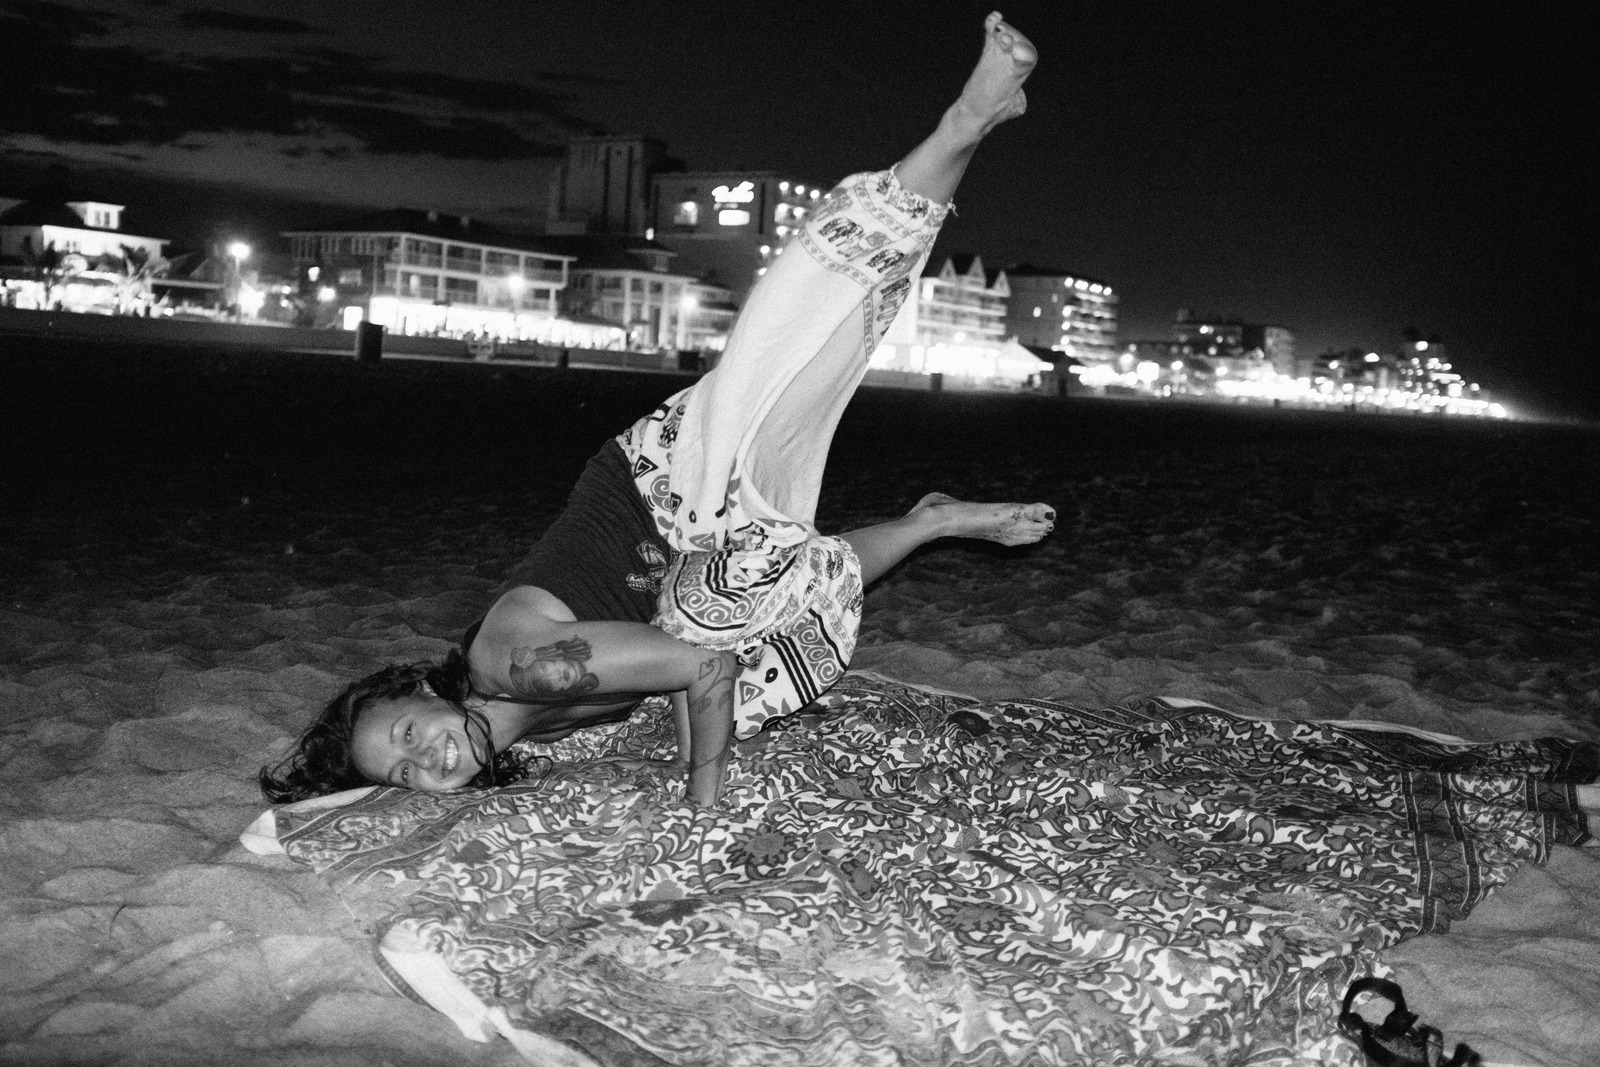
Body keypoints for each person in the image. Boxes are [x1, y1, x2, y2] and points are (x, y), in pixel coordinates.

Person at [261, 12, 1051, 810]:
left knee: (816, 318)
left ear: (421, 693)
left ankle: (967, 117)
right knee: (781, 587)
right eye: (402, 774)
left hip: (661, 492)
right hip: (686, 573)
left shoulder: (518, 667)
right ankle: (932, 520)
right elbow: (689, 654)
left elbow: (697, 665)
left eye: (406, 736)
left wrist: (700, 796)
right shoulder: (514, 720)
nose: (426, 761)